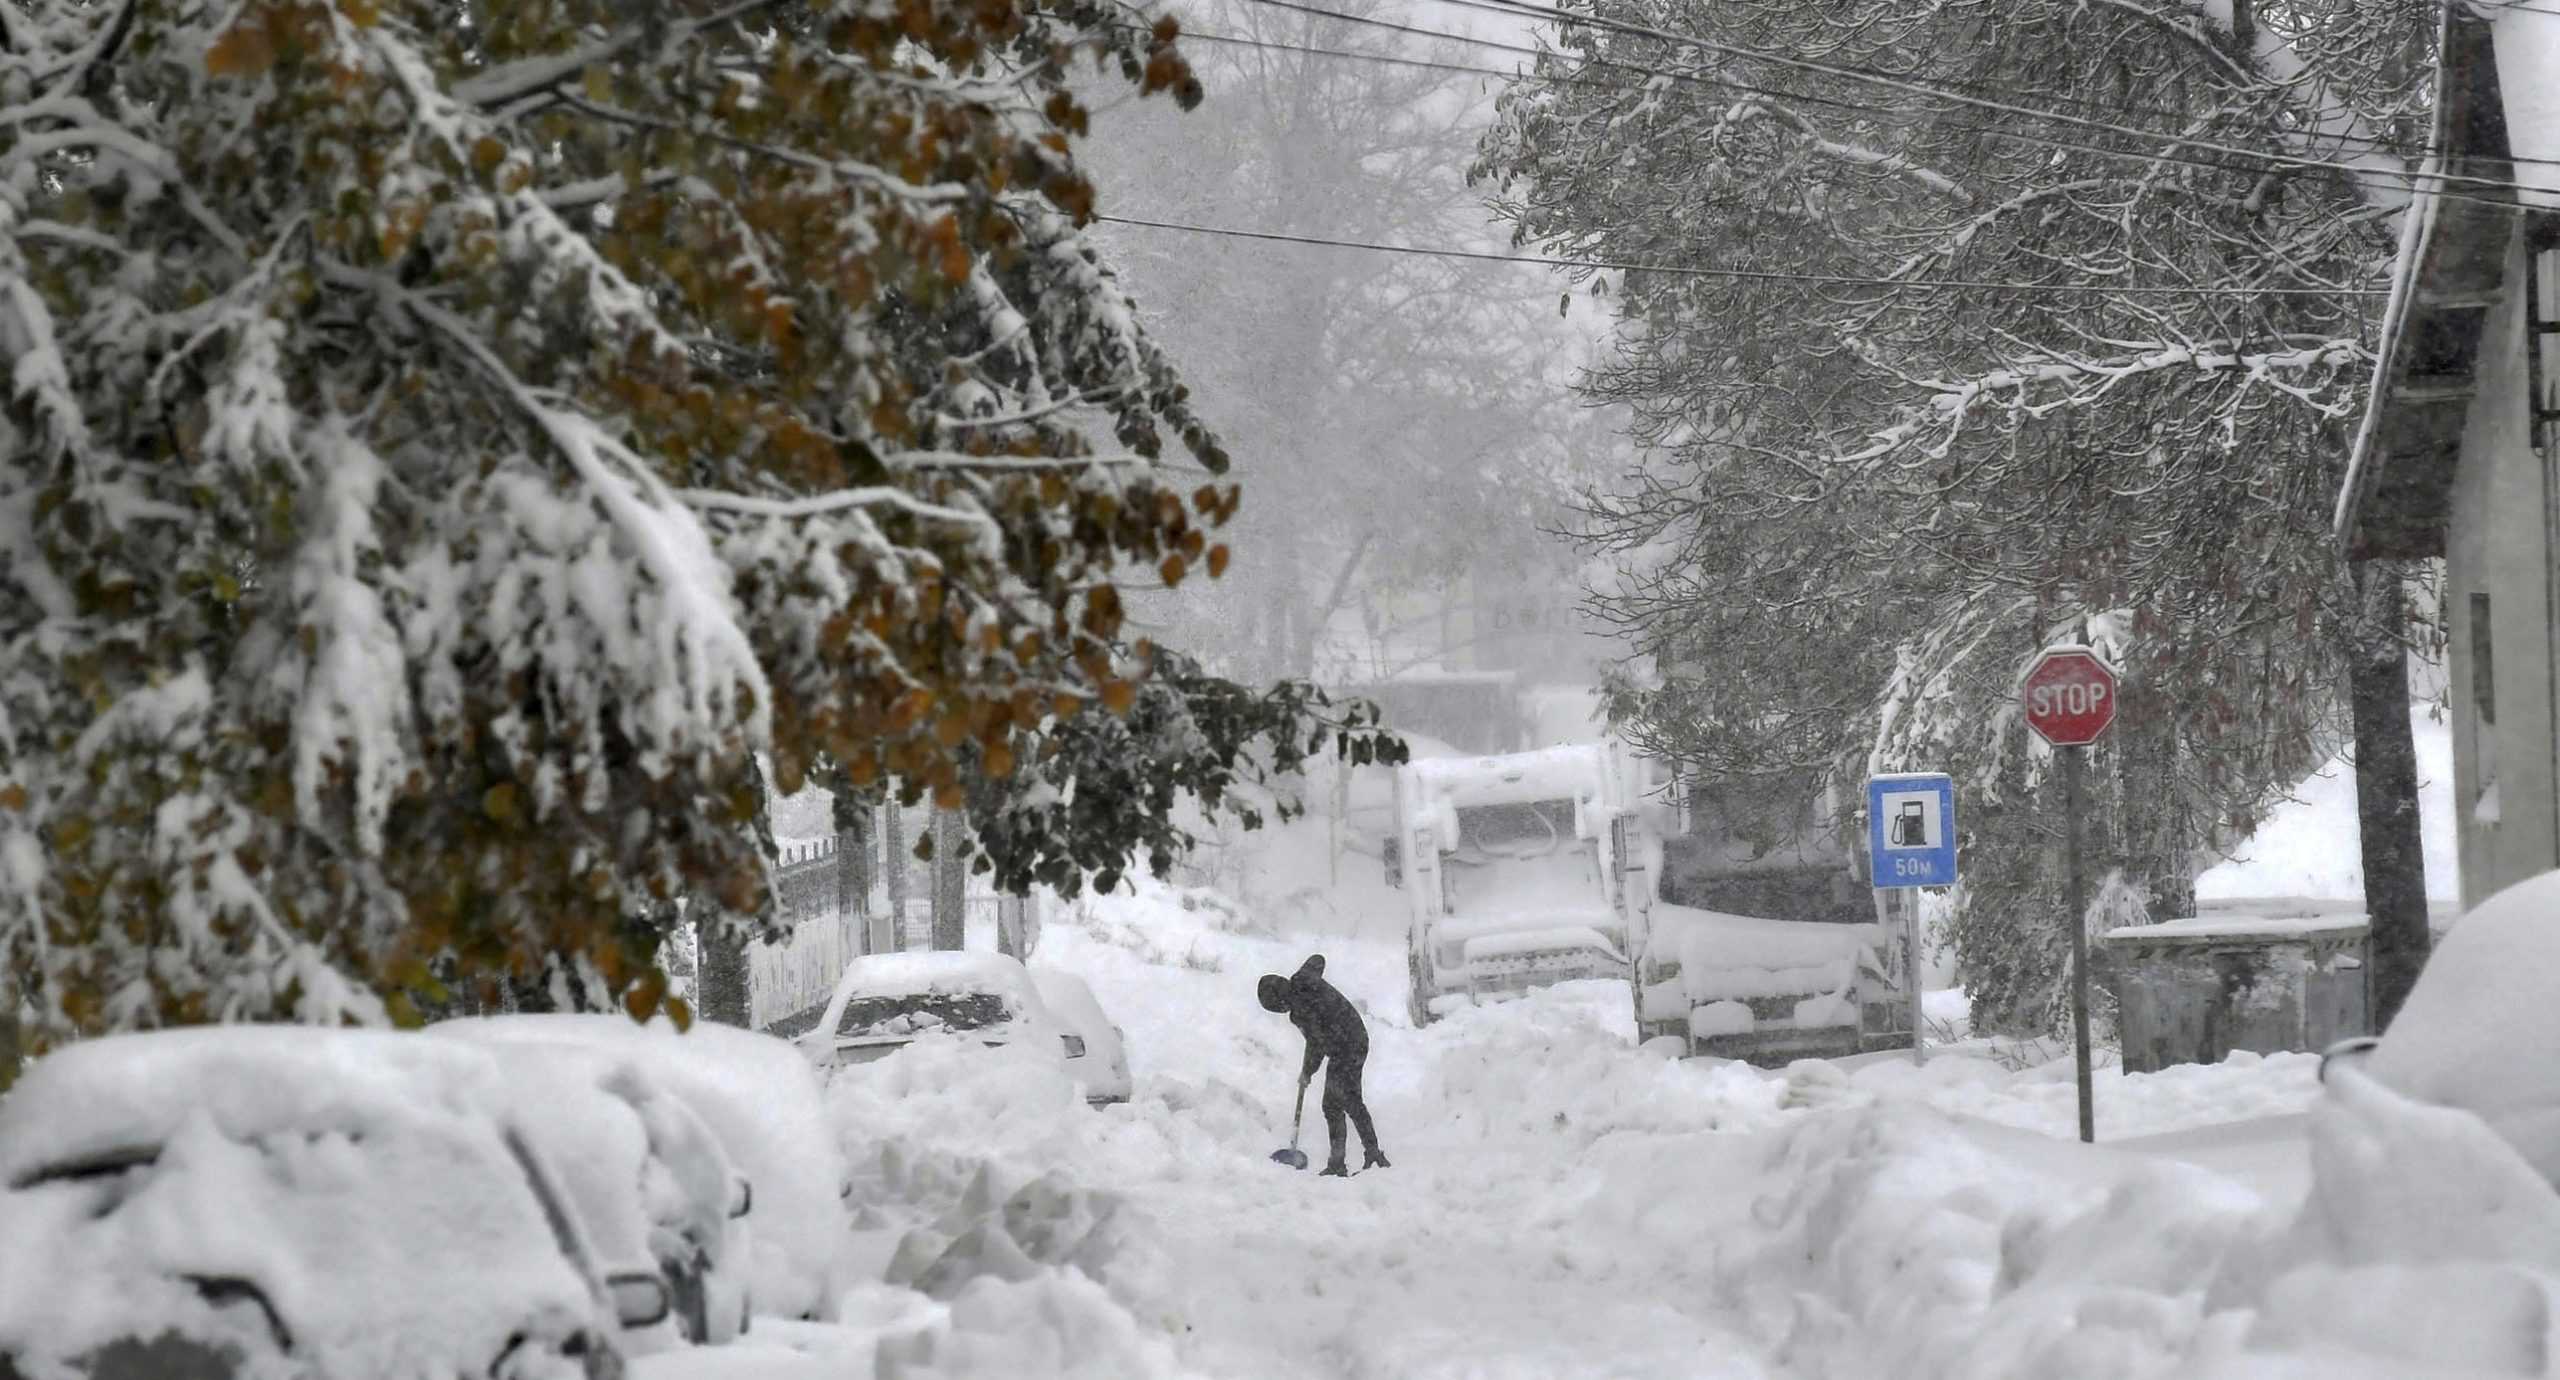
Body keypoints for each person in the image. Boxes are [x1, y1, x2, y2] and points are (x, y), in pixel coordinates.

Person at [1257, 954, 1388, 1177]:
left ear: (1279, 1002)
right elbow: (1318, 960)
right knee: (1348, 1102)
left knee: (1335, 1104)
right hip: (1354, 1038)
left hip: (1346, 1047)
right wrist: (1309, 978)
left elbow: (1316, 1044)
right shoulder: (1302, 980)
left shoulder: (1301, 1010)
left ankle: (1345, 1162)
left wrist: (1307, 1072)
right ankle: (1370, 1155)